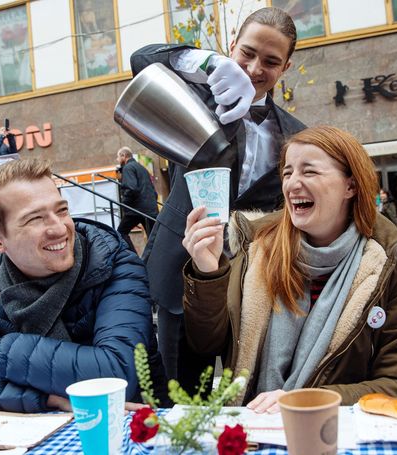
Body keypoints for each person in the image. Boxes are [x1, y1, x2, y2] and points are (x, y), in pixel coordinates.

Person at [182, 126, 397, 411]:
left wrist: (307, 403)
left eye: (309, 172)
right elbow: (206, 345)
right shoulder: (257, 247)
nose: (292, 184)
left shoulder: (392, 263)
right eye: (288, 172)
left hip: (337, 434)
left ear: (350, 186)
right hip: (255, 427)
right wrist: (207, 272)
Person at [130, 7, 306, 391]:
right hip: (180, 270)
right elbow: (141, 60)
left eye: (271, 61)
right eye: (247, 53)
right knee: (179, 396)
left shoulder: (296, 134)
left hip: (249, 286)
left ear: (286, 67)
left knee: (242, 395)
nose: (255, 68)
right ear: (231, 46)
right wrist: (206, 63)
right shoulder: (197, 94)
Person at [0, 159, 165, 413]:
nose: (59, 228)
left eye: (62, 210)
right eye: (35, 219)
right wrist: (47, 399)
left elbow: (117, 376)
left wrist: (3, 351)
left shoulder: (113, 262)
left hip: (130, 433)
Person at [116, 147, 159, 252]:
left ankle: (134, 256)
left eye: (118, 157)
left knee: (121, 232)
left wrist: (124, 203)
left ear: (123, 156)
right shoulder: (142, 168)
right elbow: (154, 191)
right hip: (149, 208)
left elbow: (131, 188)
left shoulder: (128, 168)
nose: (117, 160)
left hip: (136, 209)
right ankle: (155, 258)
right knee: (154, 238)